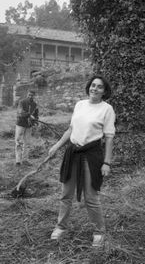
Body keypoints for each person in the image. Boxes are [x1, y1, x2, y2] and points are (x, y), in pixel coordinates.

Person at [38, 74, 115, 247]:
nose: (94, 88)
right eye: (93, 85)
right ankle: (61, 227)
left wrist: (107, 162)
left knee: (91, 197)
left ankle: (99, 231)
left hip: (91, 155)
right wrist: (57, 145)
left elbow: (109, 137)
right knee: (66, 194)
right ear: (89, 87)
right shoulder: (80, 105)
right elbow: (71, 129)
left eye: (99, 87)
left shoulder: (107, 109)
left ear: (104, 91)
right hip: (72, 153)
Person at [15, 90, 39, 166]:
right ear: (27, 94)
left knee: (27, 143)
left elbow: (36, 114)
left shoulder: (35, 104)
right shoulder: (22, 102)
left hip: (29, 126)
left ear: (34, 96)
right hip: (20, 124)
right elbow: (20, 112)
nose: (30, 96)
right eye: (29, 95)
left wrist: (36, 121)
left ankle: (25, 160)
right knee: (18, 142)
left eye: (32, 95)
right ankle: (18, 161)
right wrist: (29, 115)